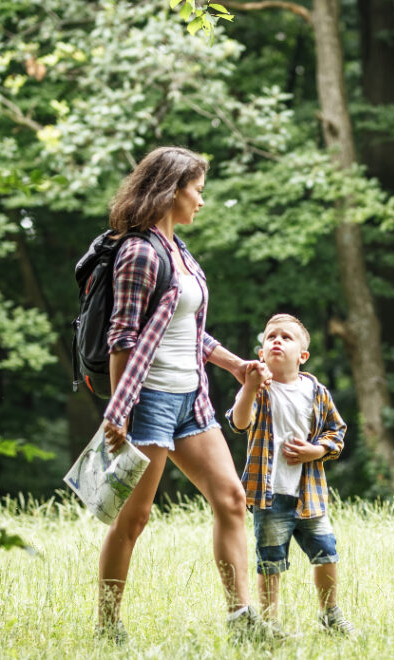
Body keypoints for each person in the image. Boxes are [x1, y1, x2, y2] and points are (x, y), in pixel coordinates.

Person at [96, 146, 272, 643]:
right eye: (197, 189)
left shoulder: (180, 251)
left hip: (191, 398)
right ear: (171, 190)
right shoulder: (139, 252)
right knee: (133, 518)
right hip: (148, 400)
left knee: (232, 499)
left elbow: (186, 331)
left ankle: (243, 622)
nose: (201, 200)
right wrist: (120, 412)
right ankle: (108, 627)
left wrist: (235, 364)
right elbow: (123, 337)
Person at [226, 314, 357, 637]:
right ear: (261, 353)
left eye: (286, 337)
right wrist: (249, 386)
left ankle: (330, 615)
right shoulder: (258, 390)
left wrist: (317, 451)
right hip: (269, 495)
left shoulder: (315, 391)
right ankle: (270, 624)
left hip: (309, 495)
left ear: (302, 355)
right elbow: (239, 422)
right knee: (270, 563)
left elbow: (336, 431)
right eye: (270, 337)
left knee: (326, 554)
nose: (277, 341)